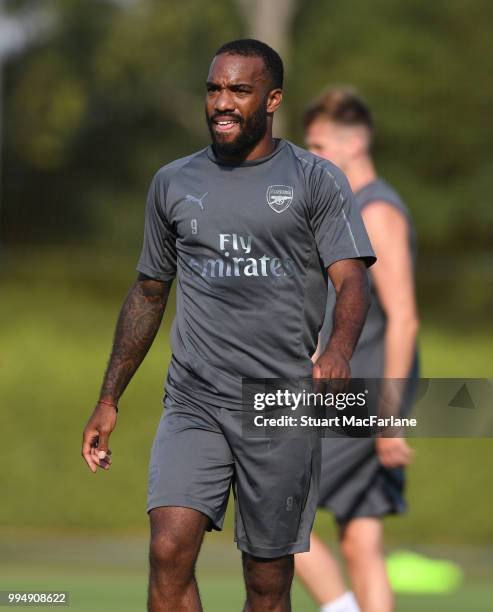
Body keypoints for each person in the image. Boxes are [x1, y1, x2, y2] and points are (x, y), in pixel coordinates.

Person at [81, 42, 375, 612]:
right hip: (195, 400)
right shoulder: (172, 181)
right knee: (169, 547)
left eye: (239, 90)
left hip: (280, 405)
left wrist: (338, 353)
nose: (222, 102)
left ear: (272, 100)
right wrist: (108, 397)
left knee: (267, 584)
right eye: (214, 89)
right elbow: (148, 292)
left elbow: (353, 282)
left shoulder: (315, 179)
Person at [295, 87, 420, 612]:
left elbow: (405, 319)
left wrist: (390, 417)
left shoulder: (377, 211)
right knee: (361, 542)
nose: (311, 158)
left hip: (361, 399)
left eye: (319, 147)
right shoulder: (345, 210)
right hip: (347, 391)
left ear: (352, 144)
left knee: (274, 509)